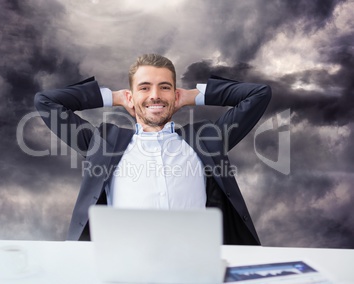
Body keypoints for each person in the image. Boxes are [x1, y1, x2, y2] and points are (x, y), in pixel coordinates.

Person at [34, 53, 271, 245]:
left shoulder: (206, 140)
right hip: (125, 271)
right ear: (131, 95)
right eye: (144, 88)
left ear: (175, 94)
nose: (155, 95)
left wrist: (193, 95)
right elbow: (46, 102)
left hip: (193, 271)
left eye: (165, 87)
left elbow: (258, 94)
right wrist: (114, 97)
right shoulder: (104, 143)